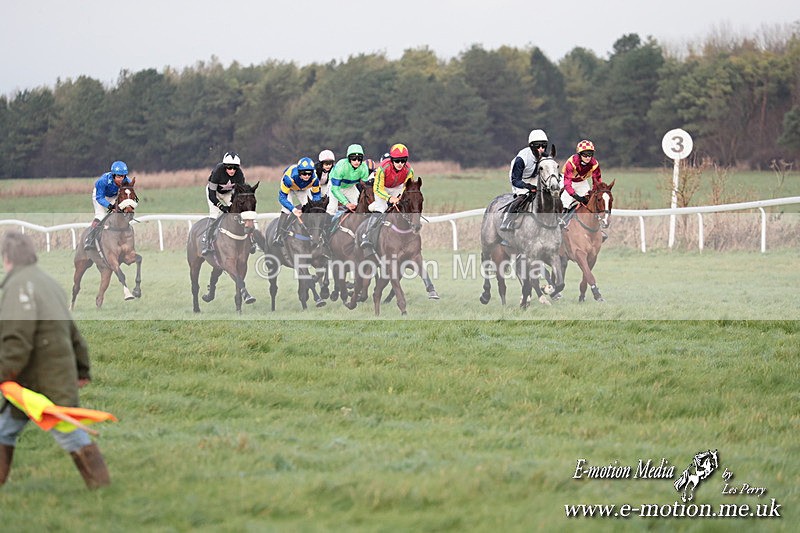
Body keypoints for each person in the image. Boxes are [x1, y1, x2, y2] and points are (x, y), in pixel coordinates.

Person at [0, 232, 110, 489]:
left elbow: (17, 339)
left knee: (69, 432)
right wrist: (82, 368)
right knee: (4, 429)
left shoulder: (19, 286)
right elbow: (72, 332)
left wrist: (3, 372)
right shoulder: (47, 282)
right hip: (35, 378)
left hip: (43, 379)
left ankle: (102, 487)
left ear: (7, 257)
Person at [359, 143, 416, 257]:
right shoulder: (382, 168)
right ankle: (367, 237)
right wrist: (389, 198)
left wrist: (401, 196)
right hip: (382, 188)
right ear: (392, 160)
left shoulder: (409, 170)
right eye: (397, 161)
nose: (400, 164)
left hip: (398, 187)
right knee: (381, 209)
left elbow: (407, 187)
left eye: (403, 160)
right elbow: (377, 188)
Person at [499, 129, 550, 231]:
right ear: (531, 146)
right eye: (538, 146)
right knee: (523, 196)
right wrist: (527, 187)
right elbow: (515, 180)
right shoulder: (522, 159)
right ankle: (507, 219)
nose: (541, 149)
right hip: (519, 178)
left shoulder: (545, 157)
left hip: (534, 177)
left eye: (543, 146)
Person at [201, 151, 246, 255]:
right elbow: (212, 195)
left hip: (228, 193)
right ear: (225, 166)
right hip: (214, 192)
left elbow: (240, 193)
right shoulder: (217, 171)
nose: (232, 170)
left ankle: (249, 240)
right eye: (229, 167)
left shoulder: (240, 175)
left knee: (238, 213)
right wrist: (221, 206)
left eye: (235, 168)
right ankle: (206, 242)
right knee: (214, 214)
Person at [273, 157, 322, 246]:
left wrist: (314, 206)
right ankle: (278, 235)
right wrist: (293, 209)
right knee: (287, 210)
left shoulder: (315, 179)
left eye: (309, 173)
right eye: (304, 173)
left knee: (311, 210)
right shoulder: (288, 178)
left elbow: (316, 196)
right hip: (290, 188)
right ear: (299, 172)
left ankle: (313, 234)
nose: (307, 176)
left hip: (303, 189)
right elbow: (282, 198)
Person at [84, 160, 132, 250]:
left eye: (123, 176)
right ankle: (89, 239)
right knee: (101, 216)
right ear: (113, 175)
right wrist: (110, 207)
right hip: (100, 196)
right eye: (118, 176)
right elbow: (100, 198)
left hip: (114, 195)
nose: (121, 179)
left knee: (120, 214)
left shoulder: (127, 181)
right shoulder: (102, 181)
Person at [560, 140, 604, 232]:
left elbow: (597, 182)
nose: (588, 157)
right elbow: (567, 183)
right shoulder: (571, 162)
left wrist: (593, 193)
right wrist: (575, 195)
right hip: (568, 181)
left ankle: (597, 227)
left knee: (590, 201)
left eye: (590, 154)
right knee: (565, 201)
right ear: (579, 154)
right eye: (585, 154)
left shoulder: (594, 164)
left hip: (582, 182)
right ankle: (560, 222)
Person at [327, 144, 371, 216]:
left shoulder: (364, 168)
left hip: (350, 187)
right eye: (353, 158)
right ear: (349, 159)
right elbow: (335, 189)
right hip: (335, 186)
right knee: (332, 208)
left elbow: (365, 187)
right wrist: (346, 203)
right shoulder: (341, 166)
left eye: (359, 159)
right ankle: (327, 226)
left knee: (358, 206)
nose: (356, 161)